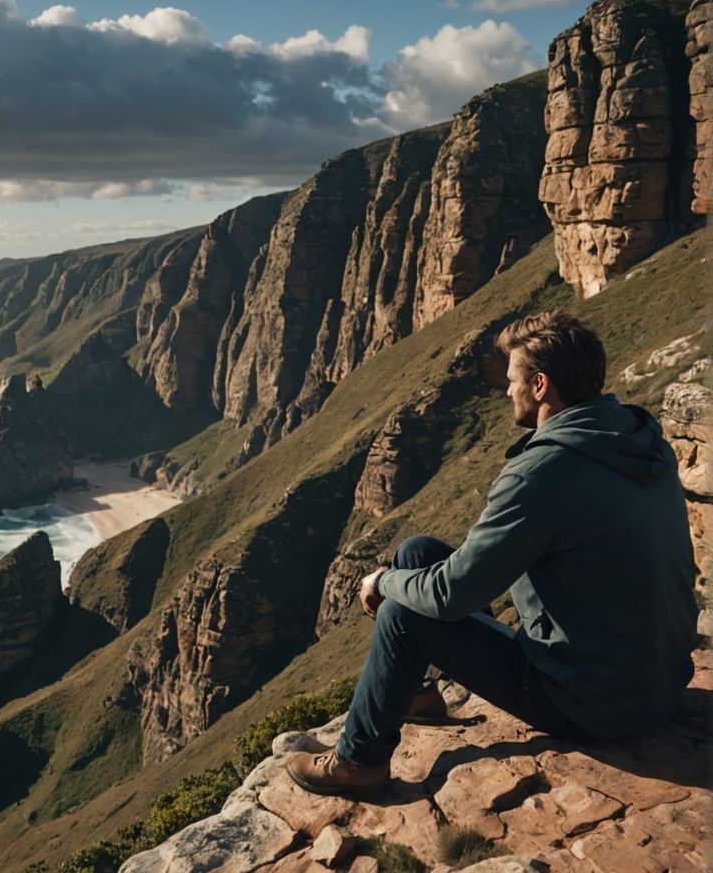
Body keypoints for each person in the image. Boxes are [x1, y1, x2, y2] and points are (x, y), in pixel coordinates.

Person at [286, 311, 699, 797]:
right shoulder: (637, 437)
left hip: (593, 705)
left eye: (512, 380)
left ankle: (359, 761)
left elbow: (448, 596)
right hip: (661, 684)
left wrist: (382, 583)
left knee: (401, 612)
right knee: (418, 551)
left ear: (540, 385)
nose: (507, 391)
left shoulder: (543, 472)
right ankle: (416, 696)